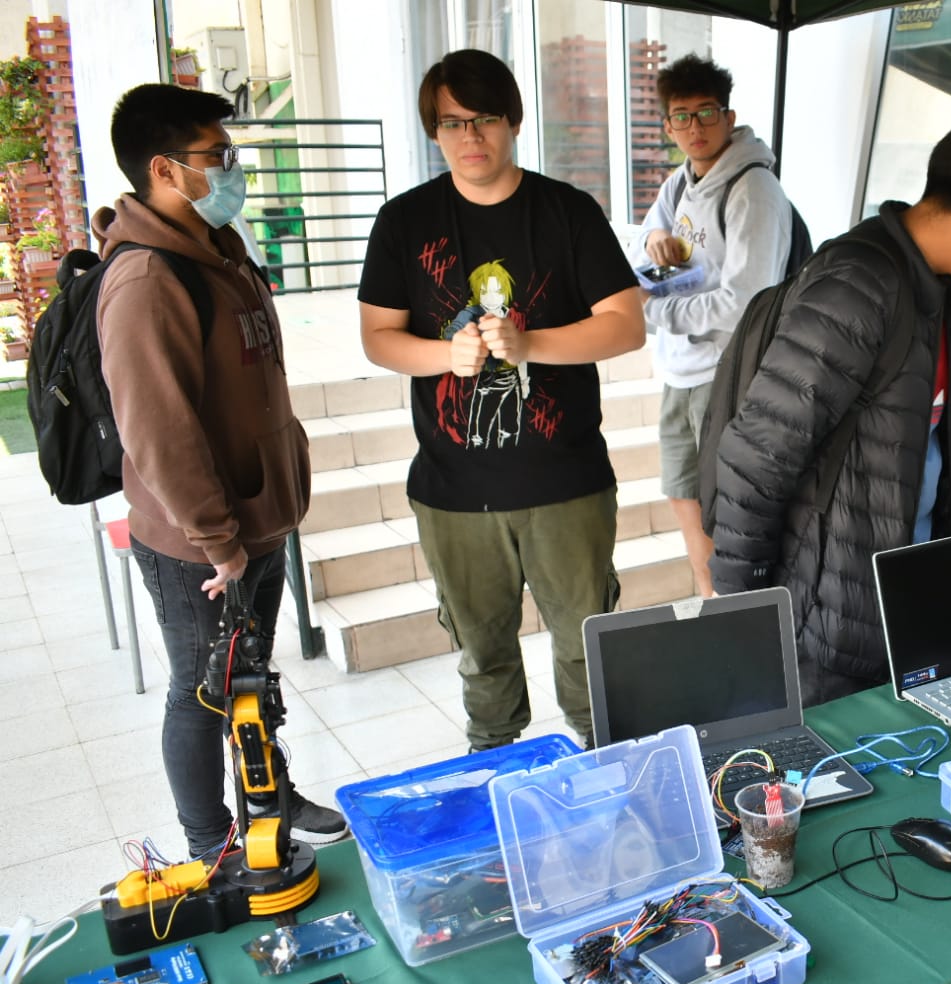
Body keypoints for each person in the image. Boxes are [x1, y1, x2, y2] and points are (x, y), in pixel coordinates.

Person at [710, 112, 951, 704]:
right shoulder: (858, 285)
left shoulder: (939, 286)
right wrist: (746, 613)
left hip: (892, 608)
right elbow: (757, 456)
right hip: (824, 626)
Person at [358, 50, 644, 751]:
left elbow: (625, 325)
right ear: (434, 131)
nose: (470, 135)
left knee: (589, 659)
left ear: (513, 120)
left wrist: (530, 344)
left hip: (566, 483)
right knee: (482, 665)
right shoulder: (404, 221)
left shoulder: (568, 211)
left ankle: (607, 772)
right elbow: (378, 337)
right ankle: (493, 776)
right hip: (453, 490)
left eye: (484, 117)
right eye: (451, 122)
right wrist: (445, 357)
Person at [95, 83, 346, 858]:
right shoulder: (147, 279)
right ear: (165, 169)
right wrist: (218, 541)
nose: (232, 168)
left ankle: (268, 795)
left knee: (249, 677)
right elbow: (157, 432)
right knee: (202, 692)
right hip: (199, 544)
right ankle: (210, 841)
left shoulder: (219, 250)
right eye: (218, 155)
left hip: (255, 518)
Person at [635, 54, 792, 598]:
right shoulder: (680, 184)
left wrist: (658, 313)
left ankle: (736, 608)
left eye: (706, 113)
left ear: (729, 116)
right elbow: (642, 247)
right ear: (668, 126)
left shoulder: (753, 189)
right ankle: (710, 602)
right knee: (683, 496)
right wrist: (653, 240)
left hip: (728, 374)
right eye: (682, 117)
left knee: (725, 507)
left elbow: (746, 301)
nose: (695, 128)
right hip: (680, 371)